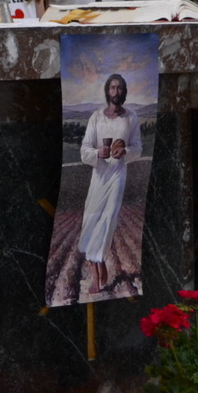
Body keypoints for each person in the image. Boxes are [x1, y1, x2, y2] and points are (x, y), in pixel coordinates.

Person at [78, 73, 142, 296]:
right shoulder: (96, 117)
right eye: (113, 88)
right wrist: (98, 152)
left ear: (124, 92)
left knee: (107, 219)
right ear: (107, 91)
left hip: (117, 175)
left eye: (120, 88)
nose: (116, 91)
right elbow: (84, 150)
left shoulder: (131, 118)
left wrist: (125, 151)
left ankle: (96, 273)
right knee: (92, 219)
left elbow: (138, 148)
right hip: (99, 176)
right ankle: (97, 261)